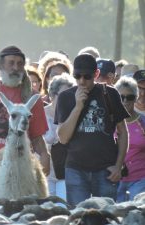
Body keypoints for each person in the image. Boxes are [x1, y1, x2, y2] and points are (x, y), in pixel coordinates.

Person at [0, 46, 50, 189]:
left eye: (19, 64)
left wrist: (44, 156)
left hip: (20, 171)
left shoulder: (32, 97)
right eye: (11, 63)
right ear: (0, 66)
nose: (15, 68)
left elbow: (36, 137)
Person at [55, 53, 129, 206]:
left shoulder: (110, 93)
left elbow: (123, 132)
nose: (82, 81)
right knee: (77, 217)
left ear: (96, 74)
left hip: (105, 170)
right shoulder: (65, 97)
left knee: (106, 217)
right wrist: (78, 107)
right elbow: (63, 138)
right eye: (77, 76)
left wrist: (118, 165)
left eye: (87, 76)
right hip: (75, 169)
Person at [44, 73, 76, 200]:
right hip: (45, 173)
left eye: (71, 95)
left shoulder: (74, 117)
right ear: (52, 95)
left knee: (64, 206)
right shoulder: (39, 115)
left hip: (65, 173)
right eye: (63, 95)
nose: (68, 99)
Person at [114, 77, 145, 202]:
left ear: (136, 98)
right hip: (113, 180)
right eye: (121, 97)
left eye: (130, 97)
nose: (125, 101)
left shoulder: (143, 122)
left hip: (140, 179)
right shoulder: (108, 122)